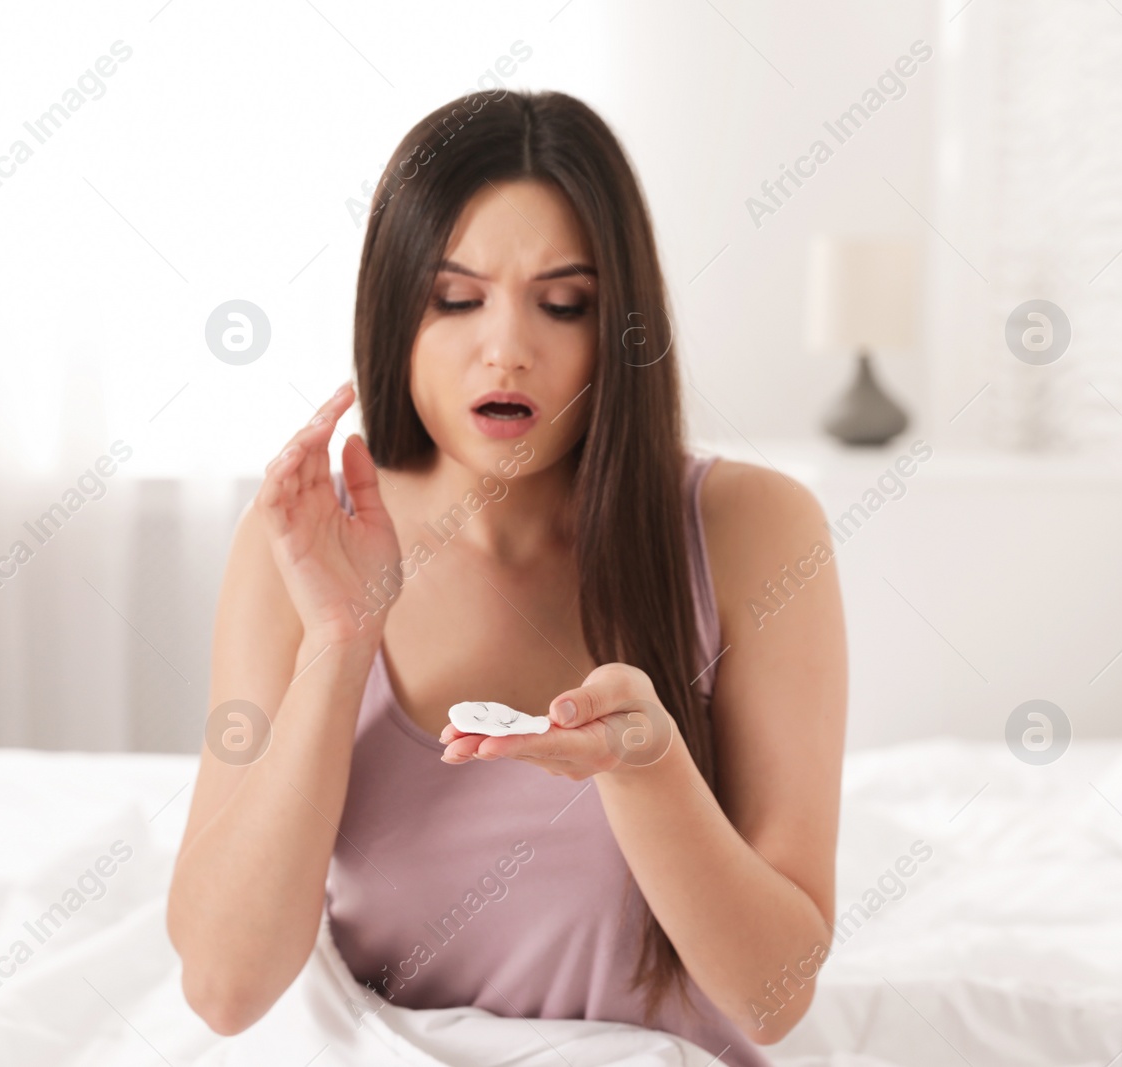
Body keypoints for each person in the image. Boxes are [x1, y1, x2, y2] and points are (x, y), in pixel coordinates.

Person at [167, 89, 846, 1060]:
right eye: (456, 298)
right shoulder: (303, 544)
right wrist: (340, 636)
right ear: (395, 313)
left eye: (562, 304)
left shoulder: (754, 530)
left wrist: (646, 768)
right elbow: (226, 987)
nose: (508, 348)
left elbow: (775, 997)